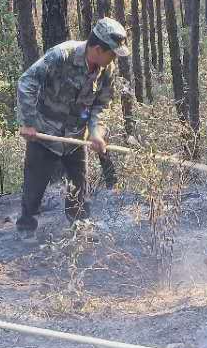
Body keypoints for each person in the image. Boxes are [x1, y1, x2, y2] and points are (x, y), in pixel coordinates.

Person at [14, 17, 128, 240]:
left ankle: (79, 225)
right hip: (44, 133)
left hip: (76, 135)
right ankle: (26, 227)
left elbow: (101, 104)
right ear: (97, 49)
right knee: (34, 185)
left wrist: (96, 132)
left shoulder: (107, 69)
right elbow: (26, 82)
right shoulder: (61, 56)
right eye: (112, 52)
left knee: (79, 184)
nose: (114, 57)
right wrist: (29, 121)